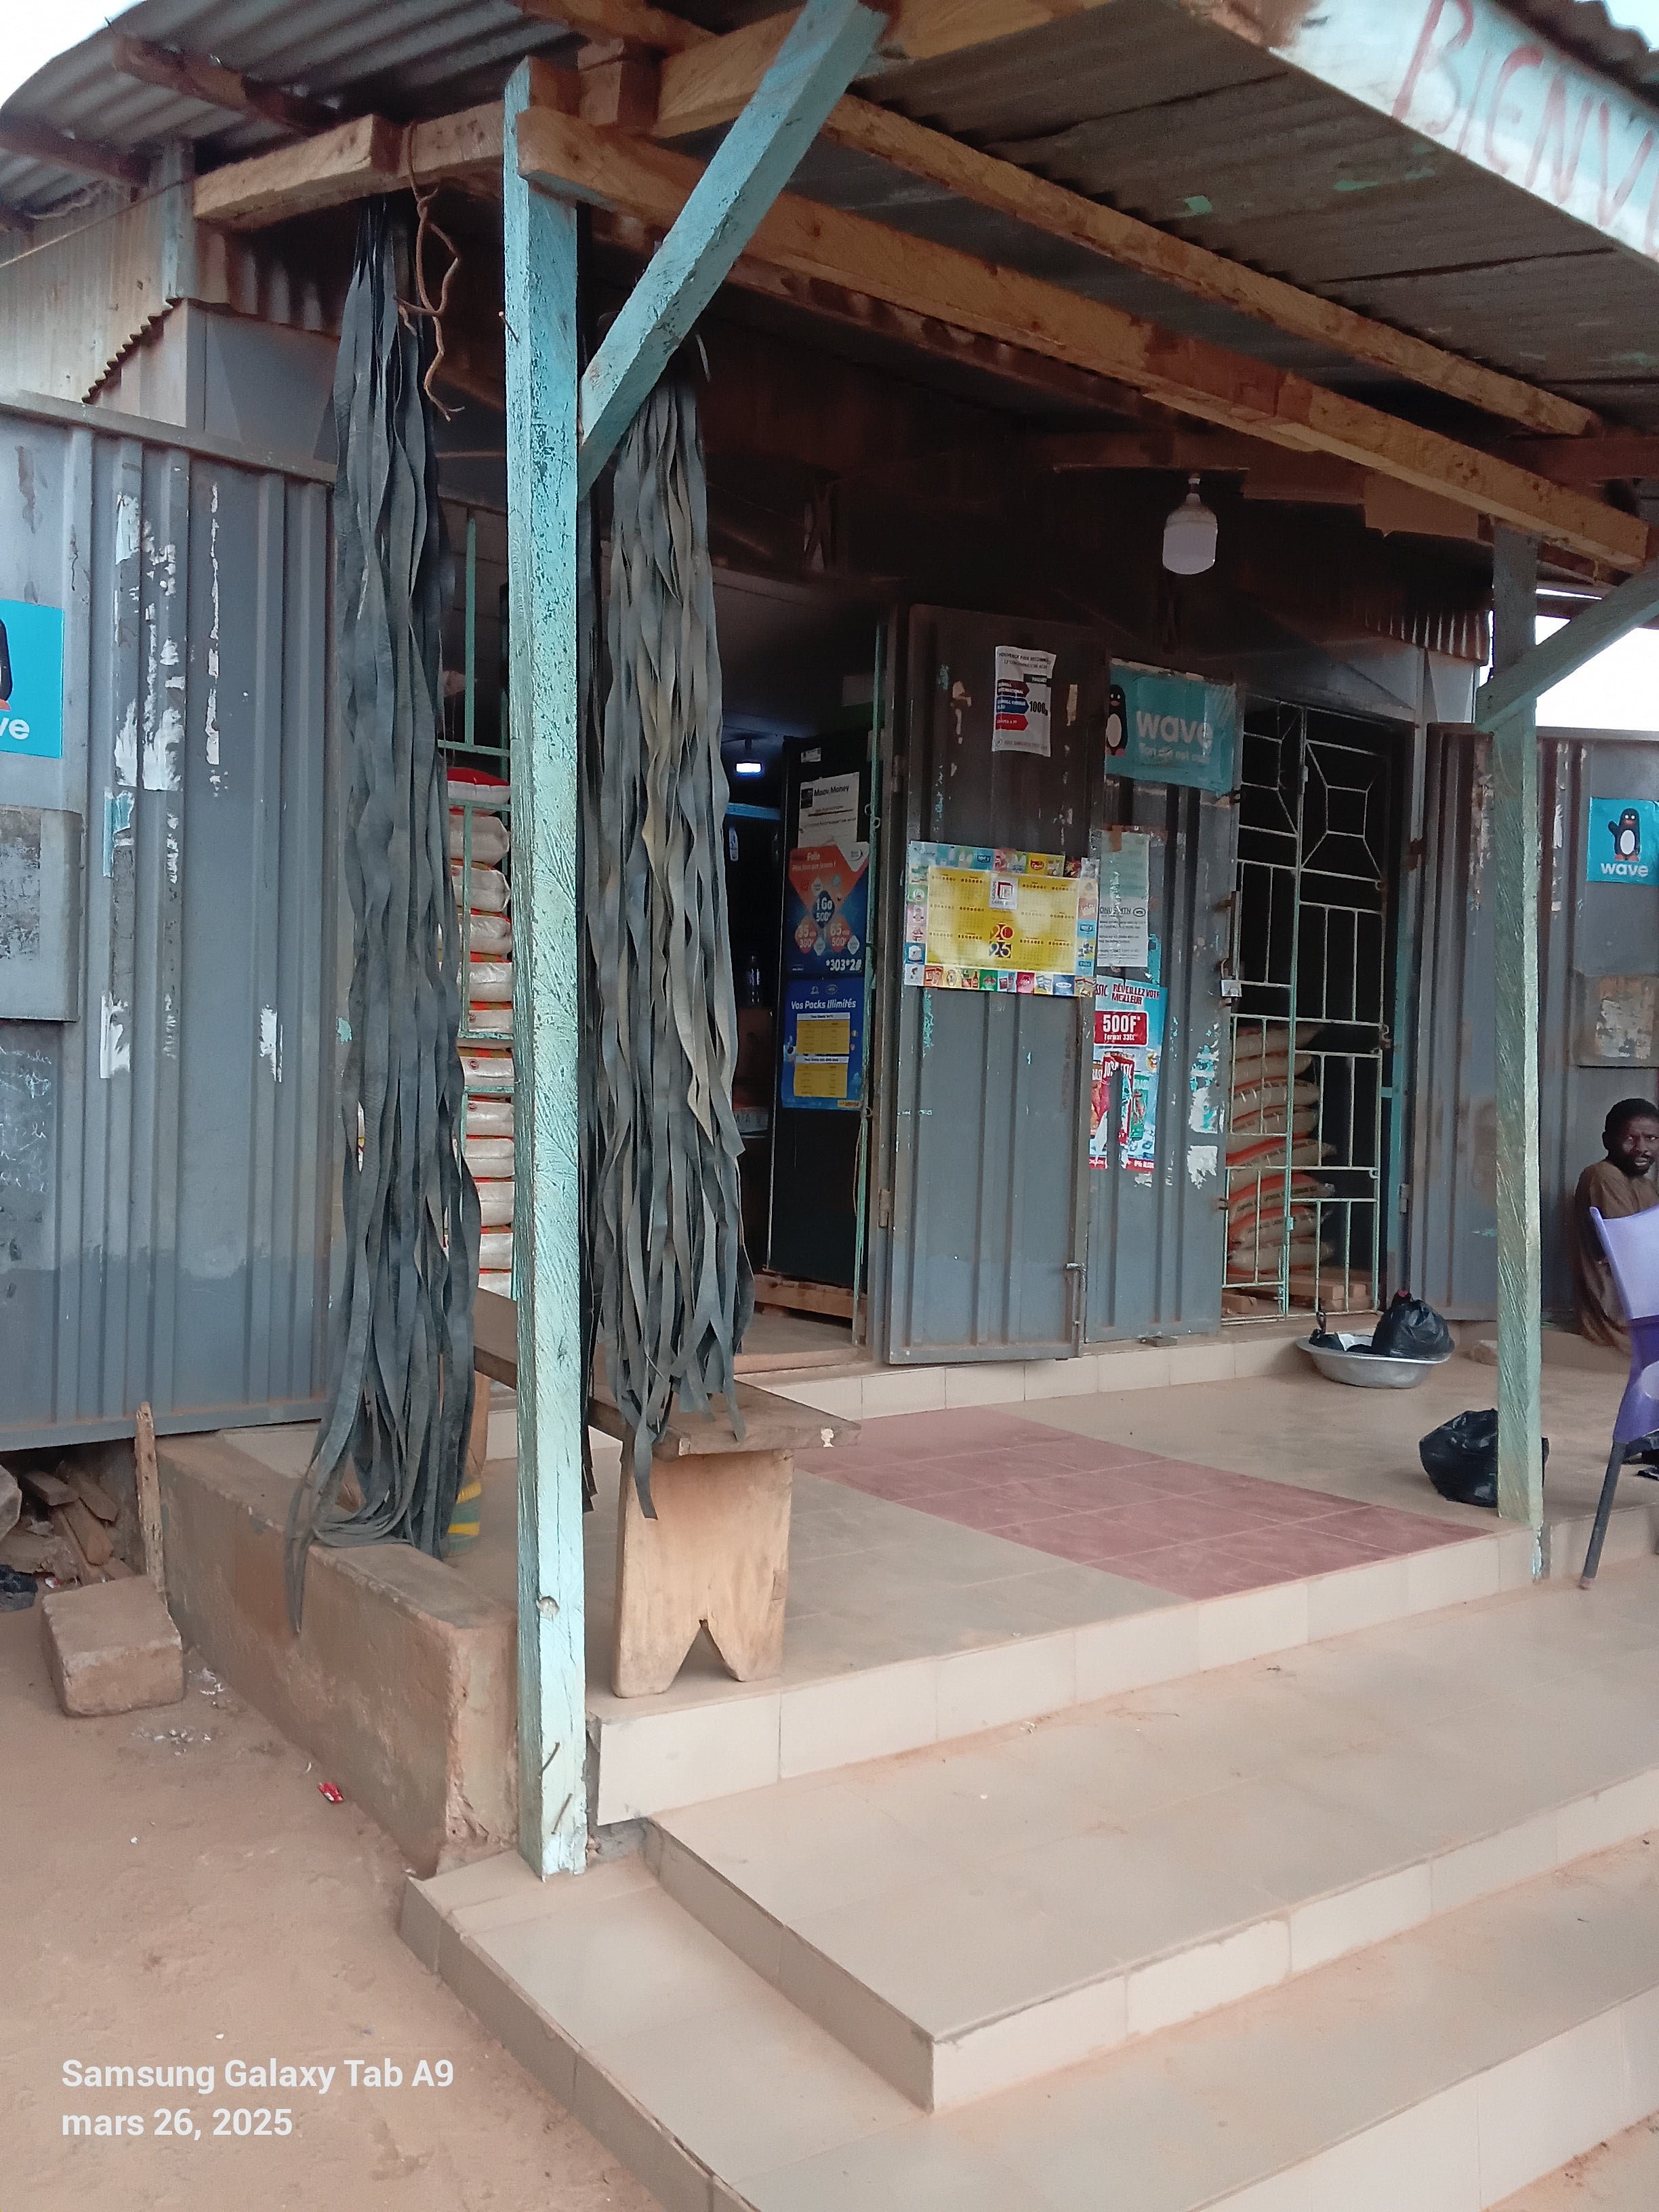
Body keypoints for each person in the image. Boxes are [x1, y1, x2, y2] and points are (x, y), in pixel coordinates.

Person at [1572, 1098, 1659, 1348]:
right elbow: (1634, 1251)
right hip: (1620, 1312)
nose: (1642, 1148)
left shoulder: (1643, 1183)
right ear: (1607, 1140)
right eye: (1631, 1138)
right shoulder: (1603, 1175)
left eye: (1652, 1139)